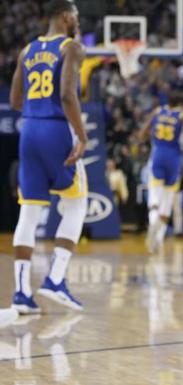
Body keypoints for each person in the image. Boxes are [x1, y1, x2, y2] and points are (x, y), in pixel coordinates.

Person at [9, 0, 87, 314]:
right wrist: (81, 134)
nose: (78, 23)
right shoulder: (72, 47)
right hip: (57, 129)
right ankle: (55, 278)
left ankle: (21, 294)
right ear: (67, 16)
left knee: (28, 212)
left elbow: (15, 100)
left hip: (29, 129)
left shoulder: (27, 51)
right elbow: (68, 94)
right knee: (77, 203)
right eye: (77, 17)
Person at [140, 92, 183, 253]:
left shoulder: (158, 112)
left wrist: (146, 139)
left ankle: (152, 224)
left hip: (158, 154)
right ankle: (158, 239)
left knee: (154, 199)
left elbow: (143, 131)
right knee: (167, 202)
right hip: (174, 157)